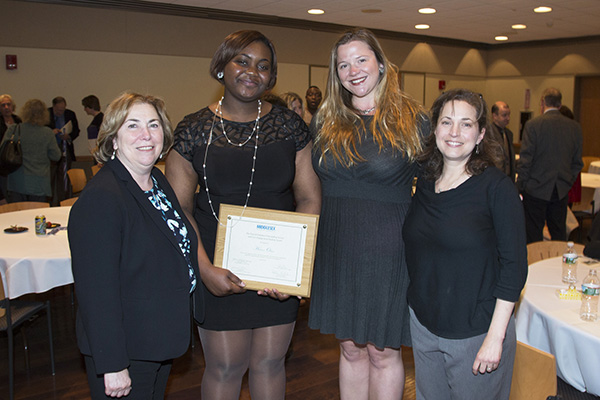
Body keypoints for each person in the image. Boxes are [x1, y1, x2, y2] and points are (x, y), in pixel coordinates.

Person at [166, 30, 321, 399]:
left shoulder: (289, 127)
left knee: (270, 364)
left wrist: (295, 270)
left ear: (272, 78)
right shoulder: (192, 130)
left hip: (276, 271)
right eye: (242, 61)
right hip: (216, 264)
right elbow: (179, 210)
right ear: (221, 67)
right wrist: (204, 270)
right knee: (225, 367)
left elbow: (310, 199)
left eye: (263, 66)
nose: (253, 71)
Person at [308, 28, 428, 399]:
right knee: (348, 347)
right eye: (343, 64)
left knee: (382, 350)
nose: (353, 70)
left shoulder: (414, 119)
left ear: (380, 63)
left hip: (388, 249)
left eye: (361, 59)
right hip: (336, 245)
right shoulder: (325, 121)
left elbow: (437, 188)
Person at [68, 92, 203, 399]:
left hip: (156, 339)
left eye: (154, 125)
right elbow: (96, 291)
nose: (146, 135)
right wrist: (113, 364)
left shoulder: (156, 181)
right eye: (133, 126)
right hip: (127, 351)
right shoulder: (102, 198)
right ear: (113, 139)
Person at [403, 89, 528, 400]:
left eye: (466, 124)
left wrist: (495, 338)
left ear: (481, 133)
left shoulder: (497, 189)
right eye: (446, 122)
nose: (454, 132)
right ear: (434, 130)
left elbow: (514, 268)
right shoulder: (425, 184)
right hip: (425, 325)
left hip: (476, 333)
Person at [517, 87, 583, 243]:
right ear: (560, 104)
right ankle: (558, 262)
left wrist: (519, 187)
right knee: (558, 232)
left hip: (535, 189)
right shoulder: (574, 128)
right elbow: (577, 163)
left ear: (542, 103)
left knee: (533, 234)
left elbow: (526, 160)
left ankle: (535, 265)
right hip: (560, 190)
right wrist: (567, 182)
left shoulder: (533, 125)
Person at [0, 99, 61, 203]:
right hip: (39, 183)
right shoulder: (47, 133)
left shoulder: (14, 129)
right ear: (44, 114)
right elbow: (56, 156)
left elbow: (2, 151)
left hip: (17, 182)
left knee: (17, 216)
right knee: (37, 216)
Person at [48, 96, 80, 204]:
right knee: (50, 179)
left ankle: (64, 202)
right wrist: (51, 132)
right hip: (51, 149)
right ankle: (50, 203)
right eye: (58, 110)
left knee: (65, 179)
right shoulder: (46, 114)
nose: (60, 112)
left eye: (62, 110)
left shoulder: (70, 114)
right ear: (53, 107)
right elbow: (42, 131)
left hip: (65, 148)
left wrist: (69, 136)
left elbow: (76, 130)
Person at [0, 94, 22, 203]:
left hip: (17, 161)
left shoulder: (18, 120)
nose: (6, 107)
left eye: (8, 104)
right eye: (3, 105)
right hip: (3, 162)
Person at [490, 101, 516, 182]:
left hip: (508, 179)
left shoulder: (509, 134)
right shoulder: (488, 134)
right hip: (494, 178)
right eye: (504, 115)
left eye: (509, 115)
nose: (508, 118)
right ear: (494, 116)